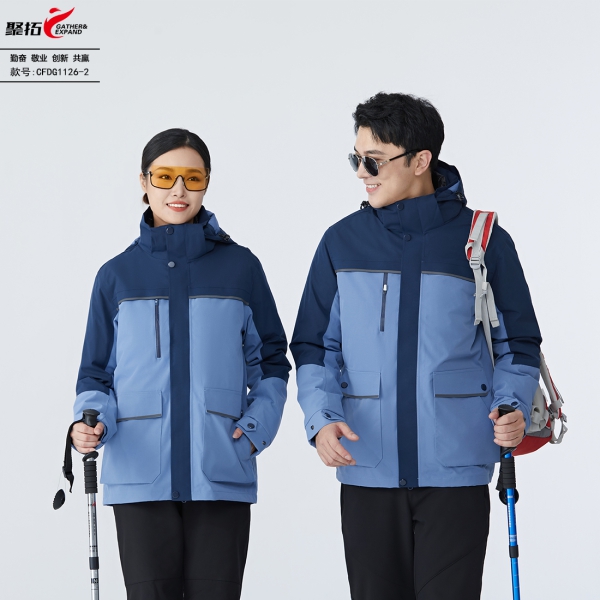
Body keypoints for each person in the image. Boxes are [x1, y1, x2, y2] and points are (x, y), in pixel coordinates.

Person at [290, 93, 541, 599]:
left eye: (375, 160)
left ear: (421, 160)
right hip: (367, 464)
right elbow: (315, 346)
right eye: (356, 159)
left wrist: (511, 405)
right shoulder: (341, 241)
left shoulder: (483, 241)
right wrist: (320, 418)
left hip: (456, 469)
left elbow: (518, 342)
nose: (362, 173)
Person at [69, 128, 290, 600]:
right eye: (165, 176)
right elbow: (95, 373)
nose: (179, 189)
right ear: (143, 181)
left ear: (206, 182)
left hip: (220, 469)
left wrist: (256, 429)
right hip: (139, 473)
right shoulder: (116, 275)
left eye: (193, 178)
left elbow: (272, 359)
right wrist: (90, 423)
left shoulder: (241, 267)